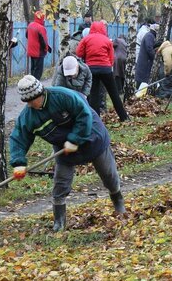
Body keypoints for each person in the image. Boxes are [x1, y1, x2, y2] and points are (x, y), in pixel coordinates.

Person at [10, 75, 126, 231]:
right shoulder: (29, 116)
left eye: (32, 101)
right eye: (27, 102)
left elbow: (84, 114)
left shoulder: (62, 96)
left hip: (92, 136)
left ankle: (118, 200)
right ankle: (59, 222)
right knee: (61, 183)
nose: (30, 105)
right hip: (63, 148)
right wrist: (18, 163)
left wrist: (75, 139)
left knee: (108, 174)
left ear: (41, 94)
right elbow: (19, 138)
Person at [76, 21, 130, 121]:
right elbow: (111, 57)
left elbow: (78, 53)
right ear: (103, 29)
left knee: (94, 95)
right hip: (105, 69)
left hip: (91, 69)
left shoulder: (86, 39)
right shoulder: (107, 40)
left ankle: (95, 119)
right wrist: (108, 66)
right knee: (114, 94)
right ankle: (124, 117)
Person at [26, 11, 51, 80]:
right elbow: (44, 42)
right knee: (38, 71)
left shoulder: (30, 25)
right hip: (39, 52)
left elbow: (26, 35)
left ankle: (30, 84)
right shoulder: (41, 28)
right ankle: (35, 86)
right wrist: (46, 49)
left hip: (31, 51)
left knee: (33, 69)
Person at [135, 23, 159, 88]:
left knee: (141, 80)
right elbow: (149, 48)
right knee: (142, 81)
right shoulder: (150, 36)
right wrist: (155, 57)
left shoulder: (149, 35)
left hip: (144, 61)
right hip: (145, 62)